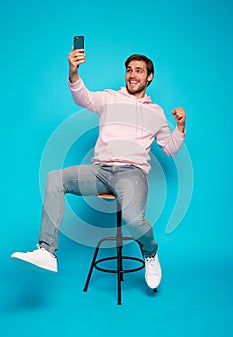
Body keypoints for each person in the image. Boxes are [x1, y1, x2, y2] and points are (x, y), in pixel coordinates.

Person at [11, 47, 186, 290]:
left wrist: (180, 127)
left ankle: (150, 252)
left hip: (132, 174)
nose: (132, 75)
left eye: (138, 71)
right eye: (129, 71)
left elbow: (169, 148)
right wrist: (73, 71)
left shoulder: (155, 113)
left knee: (133, 220)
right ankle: (47, 252)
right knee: (55, 178)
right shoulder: (110, 97)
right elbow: (83, 97)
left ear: (149, 77)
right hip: (100, 171)